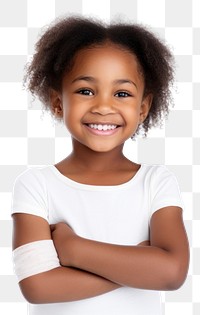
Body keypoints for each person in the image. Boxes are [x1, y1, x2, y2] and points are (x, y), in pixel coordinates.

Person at [11, 16, 189, 315]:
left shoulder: (157, 182)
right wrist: (139, 266)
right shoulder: (36, 184)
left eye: (122, 94)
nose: (104, 106)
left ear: (142, 107)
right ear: (58, 102)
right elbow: (38, 287)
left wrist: (76, 250)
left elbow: (171, 274)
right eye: (85, 91)